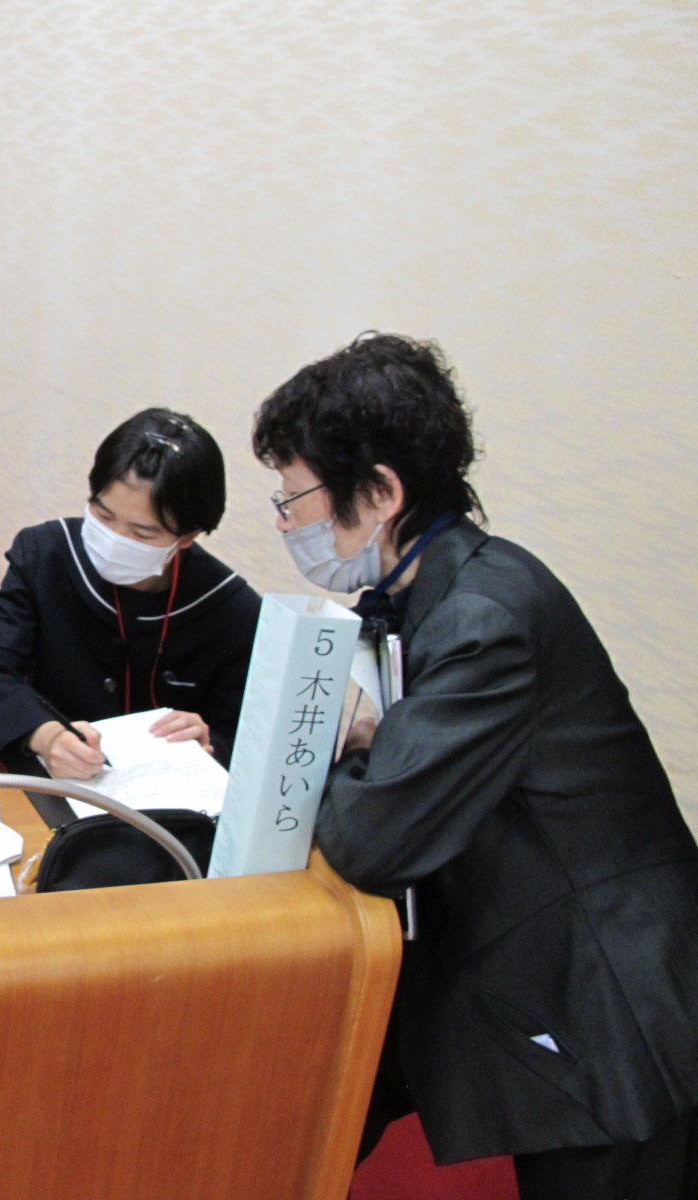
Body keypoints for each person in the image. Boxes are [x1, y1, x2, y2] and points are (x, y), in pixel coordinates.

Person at [252, 333, 698, 1199]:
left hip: (613, 994)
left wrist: (338, 740)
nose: (285, 521)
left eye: (293, 496)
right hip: (549, 960)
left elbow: (375, 836)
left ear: (379, 492)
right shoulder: (437, 591)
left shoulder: (486, 616)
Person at [0, 408, 260, 783]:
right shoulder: (45, 554)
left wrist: (208, 743)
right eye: (103, 515)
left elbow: (247, 739)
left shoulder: (232, 609)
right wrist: (47, 735)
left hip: (170, 799)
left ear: (188, 536)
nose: (116, 539)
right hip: (52, 784)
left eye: (143, 534)